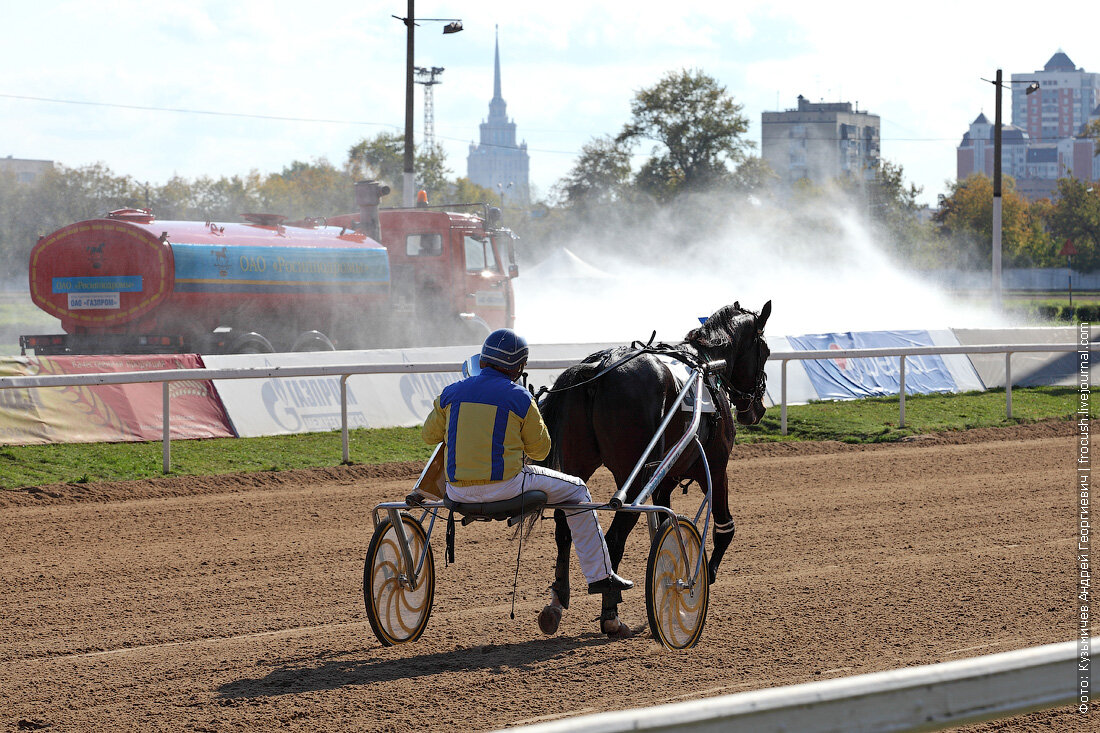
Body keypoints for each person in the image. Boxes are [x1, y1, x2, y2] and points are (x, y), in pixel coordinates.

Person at [421, 328, 633, 634]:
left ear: (484, 358)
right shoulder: (519, 397)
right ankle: (601, 575)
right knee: (578, 490)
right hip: (506, 488)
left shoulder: (452, 392)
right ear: (519, 367)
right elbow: (542, 450)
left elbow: (428, 436)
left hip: (456, 492)